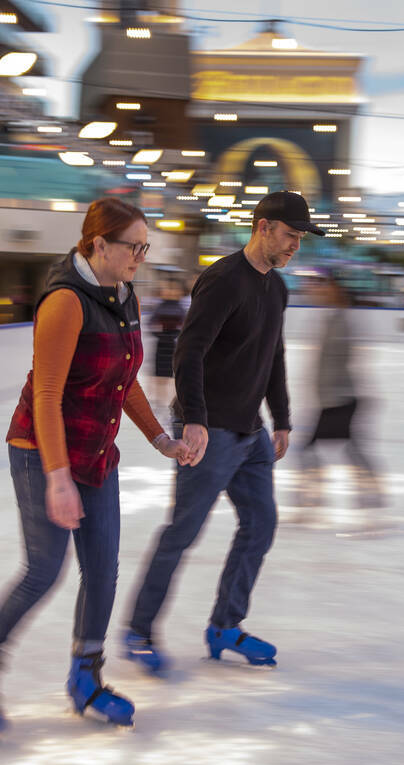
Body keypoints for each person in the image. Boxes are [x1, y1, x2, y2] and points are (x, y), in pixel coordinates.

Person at [0, 198, 189, 735]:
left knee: (103, 571)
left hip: (96, 452)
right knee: (43, 570)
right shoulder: (65, 302)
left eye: (145, 248)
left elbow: (124, 384)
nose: (141, 258)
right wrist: (58, 477)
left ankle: (86, 678)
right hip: (42, 451)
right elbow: (48, 397)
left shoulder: (125, 295)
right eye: (134, 247)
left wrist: (160, 439)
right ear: (98, 245)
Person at [122, 191, 324, 673]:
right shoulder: (222, 279)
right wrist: (193, 417)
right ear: (264, 227)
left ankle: (224, 627)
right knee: (183, 532)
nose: (296, 245)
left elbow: (273, 354)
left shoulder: (277, 289)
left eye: (300, 238)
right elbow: (188, 351)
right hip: (208, 429)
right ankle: (138, 631)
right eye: (291, 235)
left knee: (261, 525)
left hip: (250, 431)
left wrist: (283, 418)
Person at [294, 269, 385, 514]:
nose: (317, 291)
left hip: (339, 399)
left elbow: (343, 359)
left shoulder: (342, 319)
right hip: (333, 399)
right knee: (349, 449)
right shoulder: (333, 317)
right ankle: (370, 495)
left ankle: (312, 499)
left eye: (324, 286)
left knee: (310, 450)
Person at [148, 278, 186, 424]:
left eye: (173, 289)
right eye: (168, 289)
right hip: (161, 343)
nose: (170, 292)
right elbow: (151, 323)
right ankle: (160, 404)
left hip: (173, 345)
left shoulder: (180, 307)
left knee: (172, 377)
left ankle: (171, 403)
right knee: (159, 376)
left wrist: (176, 335)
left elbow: (185, 324)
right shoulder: (160, 306)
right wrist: (159, 335)